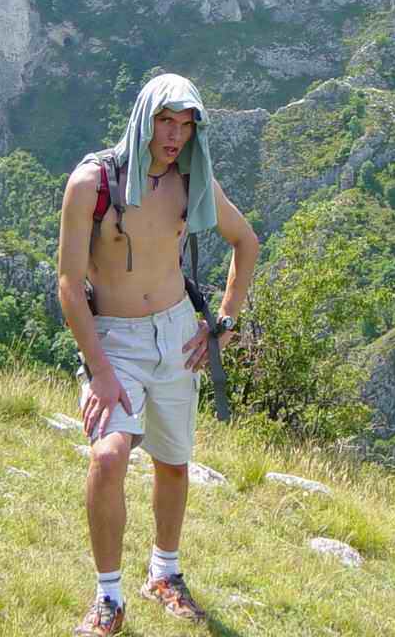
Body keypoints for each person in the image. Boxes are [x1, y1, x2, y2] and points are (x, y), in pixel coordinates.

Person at [58, 73, 259, 636]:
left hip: (176, 336)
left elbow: (246, 241)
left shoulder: (193, 180)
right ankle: (108, 597)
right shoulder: (93, 183)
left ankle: (164, 574)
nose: (175, 135)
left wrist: (223, 322)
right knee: (108, 457)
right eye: (166, 121)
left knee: (173, 462)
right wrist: (99, 370)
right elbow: (69, 283)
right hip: (114, 340)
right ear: (143, 119)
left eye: (186, 124)